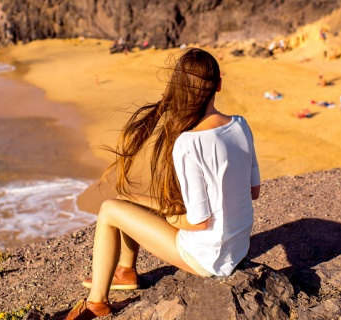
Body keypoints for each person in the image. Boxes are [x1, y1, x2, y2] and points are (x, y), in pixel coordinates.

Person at [65, 48, 261, 320]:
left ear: (178, 90)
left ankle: (96, 302)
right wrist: (155, 206)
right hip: (237, 246)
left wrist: (165, 211)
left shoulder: (188, 143)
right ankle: (125, 272)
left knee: (110, 209)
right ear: (219, 84)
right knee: (134, 204)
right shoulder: (241, 125)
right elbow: (254, 192)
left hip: (207, 256)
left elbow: (199, 223)